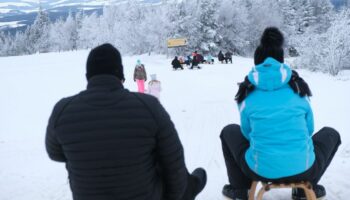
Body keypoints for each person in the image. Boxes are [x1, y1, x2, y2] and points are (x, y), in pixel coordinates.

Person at [45, 43, 207, 200]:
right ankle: (192, 186)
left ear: (88, 76)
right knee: (161, 156)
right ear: (120, 75)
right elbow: (174, 163)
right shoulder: (148, 106)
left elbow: (55, 154)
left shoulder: (63, 110)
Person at [220, 28, 341, 200]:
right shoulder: (299, 88)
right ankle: (305, 188)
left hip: (259, 169)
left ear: (256, 63)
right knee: (331, 134)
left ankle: (239, 189)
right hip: (304, 168)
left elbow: (247, 134)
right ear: (282, 62)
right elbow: (309, 129)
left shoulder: (246, 93)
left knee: (229, 131)